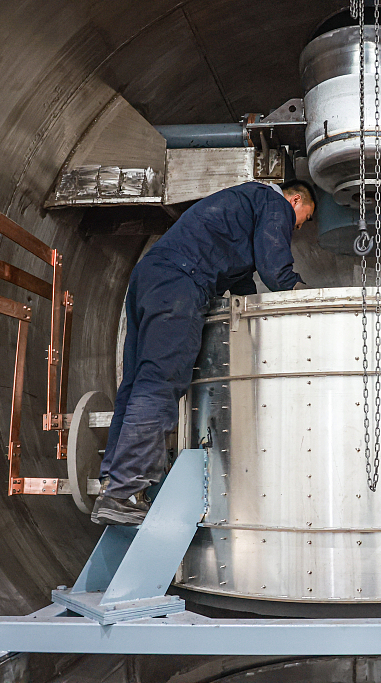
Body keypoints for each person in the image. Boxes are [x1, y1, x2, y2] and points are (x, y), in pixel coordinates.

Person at [92, 180, 317, 526]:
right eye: (303, 218)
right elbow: (276, 271)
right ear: (295, 199)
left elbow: (244, 285)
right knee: (160, 385)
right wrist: (308, 299)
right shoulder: (273, 204)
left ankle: (112, 483)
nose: (297, 227)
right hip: (181, 283)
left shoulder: (242, 206)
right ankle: (123, 492)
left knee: (137, 384)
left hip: (150, 277)